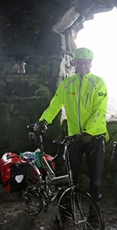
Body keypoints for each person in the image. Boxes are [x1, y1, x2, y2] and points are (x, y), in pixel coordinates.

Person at [34, 47, 109, 203]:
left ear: (91, 64)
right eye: (79, 62)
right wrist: (43, 120)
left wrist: (89, 132)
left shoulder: (98, 83)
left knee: (95, 178)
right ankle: (67, 209)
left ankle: (94, 215)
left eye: (86, 63)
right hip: (74, 137)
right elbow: (55, 104)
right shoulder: (67, 84)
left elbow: (99, 111)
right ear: (74, 62)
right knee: (70, 176)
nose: (83, 66)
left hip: (95, 137)